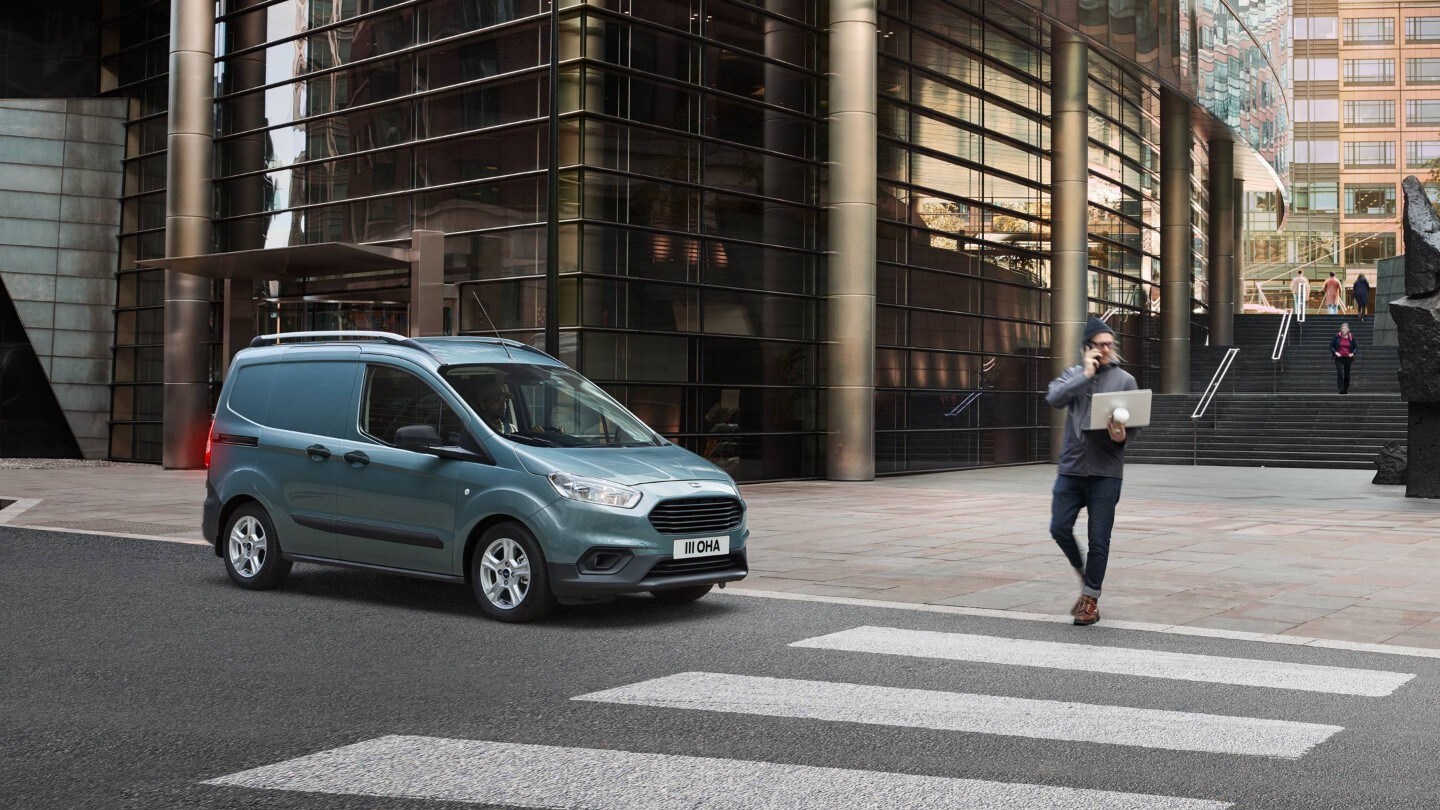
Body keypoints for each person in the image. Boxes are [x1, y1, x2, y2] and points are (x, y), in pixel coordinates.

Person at [1045, 317, 1140, 627]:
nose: (1106, 349)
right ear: (1087, 348)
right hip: (1071, 468)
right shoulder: (1073, 375)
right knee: (1059, 527)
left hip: (1106, 471)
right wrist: (1085, 374)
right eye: (1100, 344)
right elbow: (1054, 398)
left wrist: (1120, 435)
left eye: (1110, 344)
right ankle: (1086, 575)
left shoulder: (1125, 379)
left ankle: (1090, 599)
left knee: (1099, 539)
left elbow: (1133, 429)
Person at [1331, 322, 1358, 395]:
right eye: (1342, 329)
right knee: (1340, 373)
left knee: (1347, 374)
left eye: (1345, 329)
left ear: (1348, 329)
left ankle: (1345, 388)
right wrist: (1335, 352)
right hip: (1339, 357)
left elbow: (1355, 347)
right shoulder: (1337, 336)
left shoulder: (1351, 337)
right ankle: (1340, 388)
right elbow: (1331, 346)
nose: (1343, 330)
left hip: (1348, 357)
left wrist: (1353, 353)